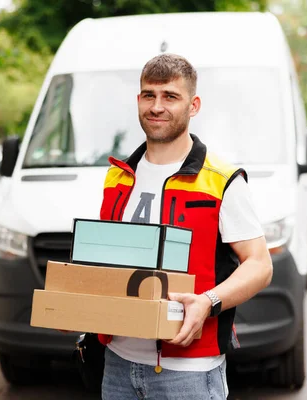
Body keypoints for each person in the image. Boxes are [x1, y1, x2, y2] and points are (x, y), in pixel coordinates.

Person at [98, 53, 273, 400]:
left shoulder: (221, 180)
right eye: (149, 95)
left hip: (190, 374)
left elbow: (260, 264)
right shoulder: (117, 176)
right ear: (138, 100)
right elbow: (106, 261)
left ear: (193, 105)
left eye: (170, 96)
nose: (157, 106)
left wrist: (208, 301)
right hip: (117, 364)